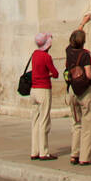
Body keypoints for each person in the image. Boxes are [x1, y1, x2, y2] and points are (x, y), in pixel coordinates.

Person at [65, 13, 91, 165]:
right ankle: (85, 158)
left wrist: (82, 23)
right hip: (85, 92)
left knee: (76, 124)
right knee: (88, 124)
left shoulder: (69, 51)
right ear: (84, 42)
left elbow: (75, 36)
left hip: (72, 90)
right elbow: (88, 74)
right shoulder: (85, 55)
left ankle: (74, 154)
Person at [30, 32, 59, 160]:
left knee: (35, 121)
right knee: (44, 121)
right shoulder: (46, 57)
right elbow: (55, 73)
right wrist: (49, 75)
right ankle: (44, 152)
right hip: (43, 90)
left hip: (33, 90)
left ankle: (34, 151)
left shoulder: (34, 55)